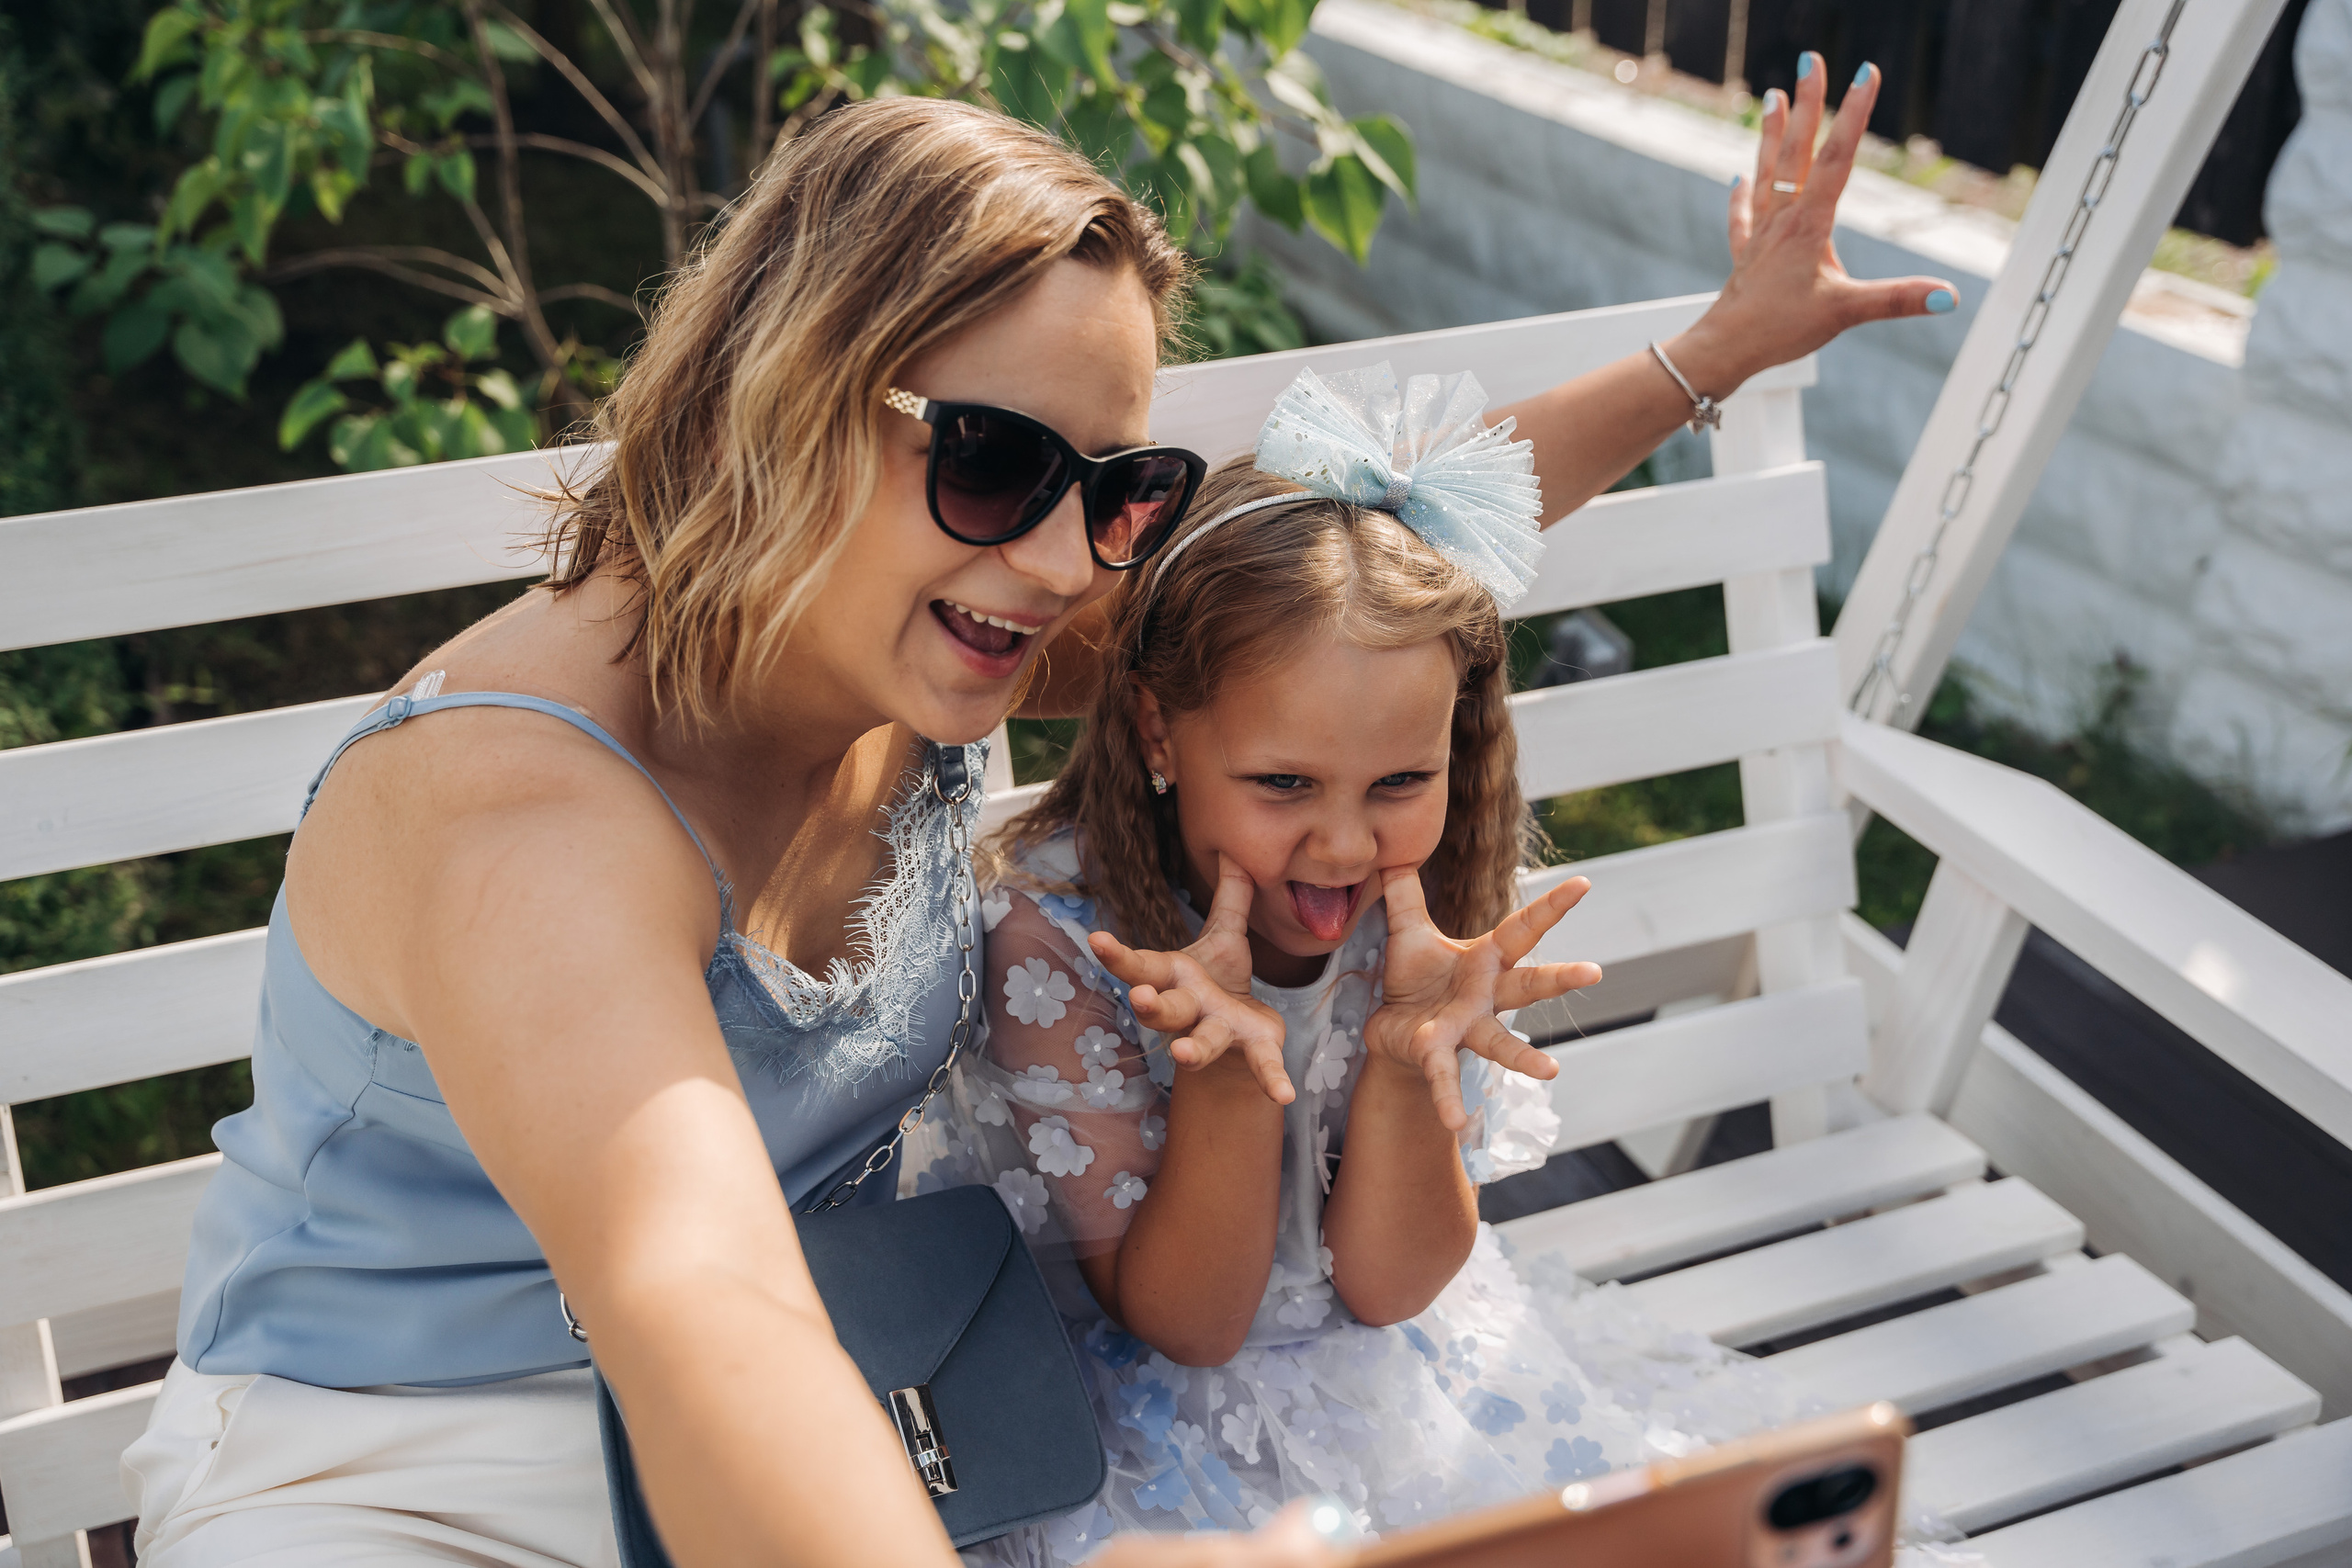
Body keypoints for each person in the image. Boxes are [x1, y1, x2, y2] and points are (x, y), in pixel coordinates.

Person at [119, 49, 1947, 1568]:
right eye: (990, 457)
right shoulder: (524, 820)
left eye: (1118, 483)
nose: (1071, 555)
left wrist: (1714, 352)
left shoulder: (923, 621)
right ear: (786, 388)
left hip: (872, 1392)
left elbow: (1339, 577)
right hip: (419, 1470)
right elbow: (698, 1304)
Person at [919, 367, 1791, 1563]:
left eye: (1399, 785)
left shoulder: (1418, 921)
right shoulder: (1061, 943)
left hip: (1406, 1373)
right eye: (1283, 785)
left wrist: (1401, 1063)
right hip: (1143, 1409)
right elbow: (1189, 1326)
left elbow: (1390, 1289)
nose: (1342, 844)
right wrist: (1226, 1076)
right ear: (1159, 731)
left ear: (1455, 747)